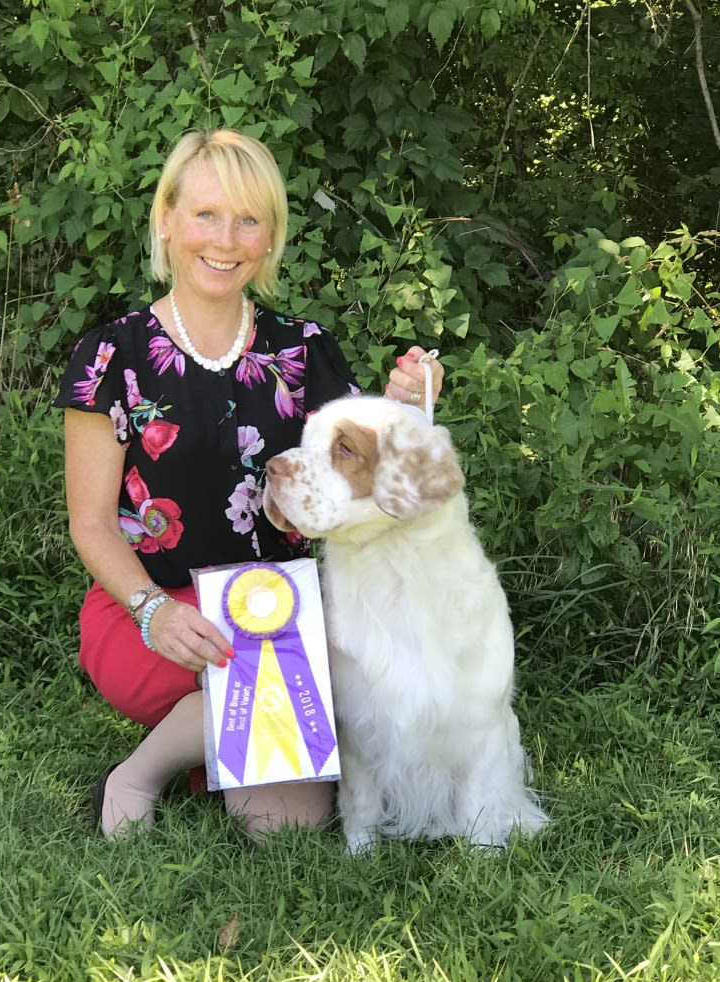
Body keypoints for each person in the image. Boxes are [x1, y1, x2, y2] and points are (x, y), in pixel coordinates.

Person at [53, 127, 444, 840]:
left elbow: (369, 480)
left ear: (269, 239)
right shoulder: (109, 353)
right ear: (165, 220)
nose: (224, 238)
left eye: (248, 219)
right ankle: (139, 771)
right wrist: (152, 612)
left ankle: (218, 744)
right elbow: (91, 523)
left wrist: (410, 409)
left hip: (277, 619)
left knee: (283, 828)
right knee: (253, 688)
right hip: (147, 611)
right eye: (205, 214)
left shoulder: (304, 349)